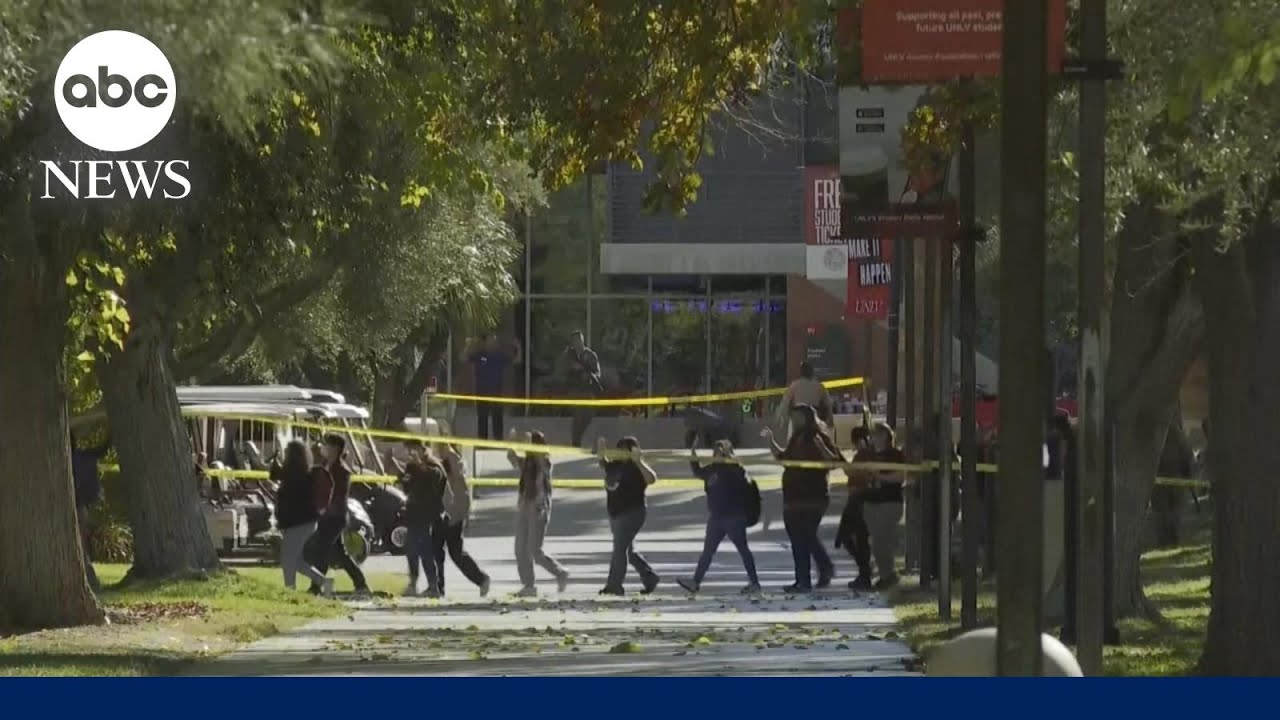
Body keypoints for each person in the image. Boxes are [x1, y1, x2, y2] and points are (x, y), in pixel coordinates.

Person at [762, 403, 842, 592]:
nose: (795, 421)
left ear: (808, 418)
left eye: (798, 417)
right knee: (797, 541)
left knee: (806, 534)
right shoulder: (795, 438)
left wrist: (822, 447)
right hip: (792, 497)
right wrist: (771, 442)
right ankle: (802, 581)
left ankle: (825, 567)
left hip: (813, 496)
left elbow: (834, 462)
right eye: (793, 418)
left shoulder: (818, 437)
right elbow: (784, 459)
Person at [677, 439, 761, 594]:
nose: (717, 454)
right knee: (708, 551)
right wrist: (693, 454)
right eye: (715, 451)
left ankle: (755, 583)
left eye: (721, 451)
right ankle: (695, 582)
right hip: (716, 517)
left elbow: (744, 481)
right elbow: (698, 472)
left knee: (743, 549)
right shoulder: (712, 469)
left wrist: (730, 458)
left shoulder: (736, 469)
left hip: (734, 516)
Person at [305, 434, 371, 596]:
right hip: (326, 517)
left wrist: (324, 508)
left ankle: (315, 587)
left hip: (335, 517)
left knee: (322, 550)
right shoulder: (324, 466)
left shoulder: (342, 471)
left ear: (335, 448)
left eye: (326, 445)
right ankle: (361, 584)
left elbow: (338, 495)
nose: (323, 448)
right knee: (340, 554)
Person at [506, 429, 569, 597]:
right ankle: (528, 585)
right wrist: (512, 442)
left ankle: (560, 572)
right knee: (520, 548)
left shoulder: (544, 461)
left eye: (530, 442)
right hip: (524, 504)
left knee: (534, 550)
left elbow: (542, 461)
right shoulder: (526, 462)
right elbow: (512, 458)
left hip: (538, 506)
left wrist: (532, 445)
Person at [596, 436, 660, 595]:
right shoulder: (614, 465)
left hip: (632, 512)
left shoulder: (636, 467)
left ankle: (614, 585)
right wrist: (601, 448)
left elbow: (652, 479)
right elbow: (602, 462)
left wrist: (638, 460)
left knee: (619, 550)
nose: (622, 452)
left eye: (626, 450)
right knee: (628, 551)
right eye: (620, 449)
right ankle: (649, 577)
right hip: (615, 513)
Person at [270, 441, 332, 594]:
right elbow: (277, 475)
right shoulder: (304, 472)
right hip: (305, 522)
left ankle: (290, 590)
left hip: (297, 523)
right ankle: (324, 582)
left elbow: (278, 477)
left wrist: (274, 463)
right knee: (296, 561)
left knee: (287, 559)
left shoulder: (294, 474)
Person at [852, 422, 906, 590]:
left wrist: (879, 477)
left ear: (884, 436)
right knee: (874, 542)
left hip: (889, 502)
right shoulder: (870, 454)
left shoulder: (895, 454)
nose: (872, 438)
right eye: (871, 435)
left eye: (875, 434)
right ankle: (884, 574)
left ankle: (889, 575)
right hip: (871, 502)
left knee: (881, 542)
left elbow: (900, 477)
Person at [435, 443, 491, 597]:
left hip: (452, 513)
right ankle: (438, 587)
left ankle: (481, 579)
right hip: (449, 511)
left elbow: (458, 489)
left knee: (453, 552)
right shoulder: (448, 462)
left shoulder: (454, 462)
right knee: (442, 551)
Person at [397, 440, 449, 597]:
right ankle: (413, 584)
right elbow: (407, 485)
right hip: (413, 513)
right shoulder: (411, 467)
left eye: (414, 449)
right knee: (411, 549)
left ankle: (434, 586)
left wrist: (420, 465)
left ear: (424, 449)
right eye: (409, 450)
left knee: (426, 550)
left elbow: (436, 481)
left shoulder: (434, 466)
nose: (411, 453)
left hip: (428, 514)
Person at [70, 431, 110, 592]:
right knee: (81, 541)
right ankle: (90, 580)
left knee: (81, 541)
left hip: (77, 504)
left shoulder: (77, 457)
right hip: (80, 504)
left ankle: (90, 580)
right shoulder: (83, 456)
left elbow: (101, 450)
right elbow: (101, 450)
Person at [836, 426, 874, 590]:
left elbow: (851, 473)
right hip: (856, 499)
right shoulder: (864, 454)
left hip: (859, 500)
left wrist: (838, 457)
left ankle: (865, 572)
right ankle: (864, 571)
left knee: (850, 537)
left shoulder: (866, 454)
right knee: (853, 538)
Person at [468, 333, 521, 440]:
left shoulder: (499, 356)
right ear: (486, 342)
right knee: (482, 418)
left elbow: (517, 360)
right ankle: (482, 441)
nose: (494, 342)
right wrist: (469, 345)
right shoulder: (480, 355)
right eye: (491, 340)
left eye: (495, 340)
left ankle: (498, 440)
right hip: (482, 393)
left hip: (496, 392)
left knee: (497, 418)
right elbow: (463, 358)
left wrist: (518, 348)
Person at [561, 330, 602, 446]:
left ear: (582, 341)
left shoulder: (591, 355)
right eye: (574, 341)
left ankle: (577, 439)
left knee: (588, 417)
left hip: (588, 390)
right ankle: (576, 442)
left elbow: (598, 373)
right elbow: (563, 372)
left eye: (578, 340)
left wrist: (586, 373)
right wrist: (572, 368)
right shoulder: (569, 355)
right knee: (578, 417)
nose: (576, 343)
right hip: (574, 391)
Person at [776, 362, 833, 431]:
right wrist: (830, 421)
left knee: (794, 438)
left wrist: (782, 418)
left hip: (798, 418)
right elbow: (828, 404)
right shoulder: (819, 386)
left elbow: (785, 403)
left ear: (801, 372)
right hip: (814, 418)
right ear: (812, 372)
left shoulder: (794, 385)